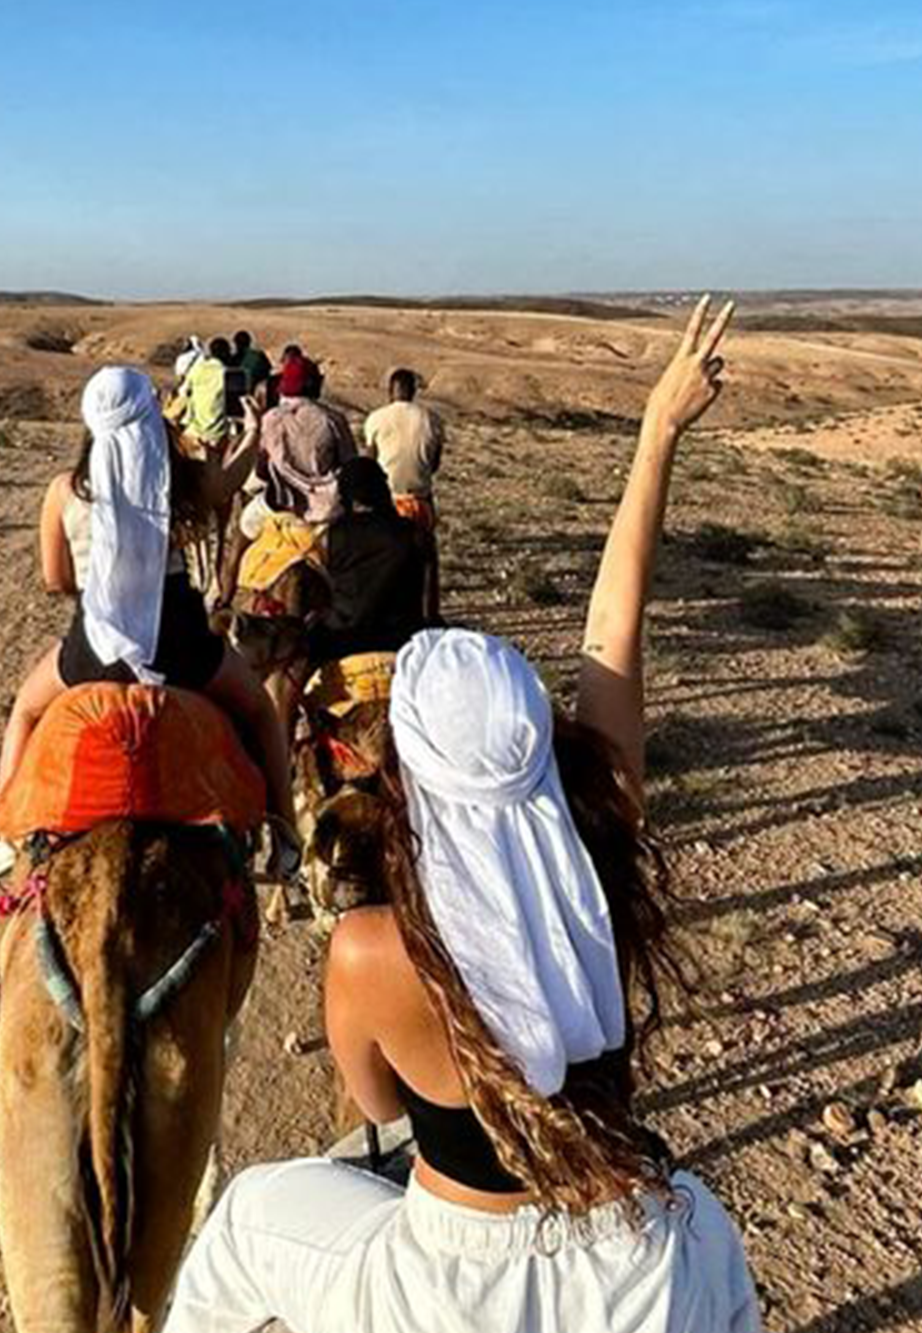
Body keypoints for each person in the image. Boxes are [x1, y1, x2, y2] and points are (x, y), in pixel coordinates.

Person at [163, 298, 759, 1333]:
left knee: (249, 1218)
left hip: (434, 1280)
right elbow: (614, 632)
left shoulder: (370, 947)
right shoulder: (599, 850)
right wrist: (658, 429)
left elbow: (381, 1113)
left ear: (407, 771)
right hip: (638, 1261)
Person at [0, 366, 300, 871]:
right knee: (260, 711)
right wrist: (251, 432)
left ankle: (5, 835)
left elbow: (54, 580)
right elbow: (229, 482)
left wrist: (94, 579)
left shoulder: (64, 490)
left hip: (94, 648)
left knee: (26, 711)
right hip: (179, 645)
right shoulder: (179, 481)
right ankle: (284, 835)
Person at [307, 456, 436, 665]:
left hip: (341, 642)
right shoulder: (416, 535)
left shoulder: (329, 537)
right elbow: (429, 607)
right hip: (401, 643)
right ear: (382, 489)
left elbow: (318, 598)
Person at [253, 356, 356, 526]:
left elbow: (261, 471)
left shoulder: (270, 420)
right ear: (311, 384)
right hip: (329, 513)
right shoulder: (333, 420)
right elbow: (351, 466)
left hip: (286, 512)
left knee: (246, 525)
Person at [361, 367, 444, 524]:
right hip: (420, 501)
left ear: (390, 391)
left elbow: (370, 464)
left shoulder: (375, 418)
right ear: (413, 391)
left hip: (387, 502)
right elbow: (434, 465)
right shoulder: (432, 420)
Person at [180, 337, 237, 456]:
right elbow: (235, 409)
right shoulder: (229, 374)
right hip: (217, 435)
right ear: (227, 353)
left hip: (193, 431)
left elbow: (183, 392)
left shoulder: (197, 369)